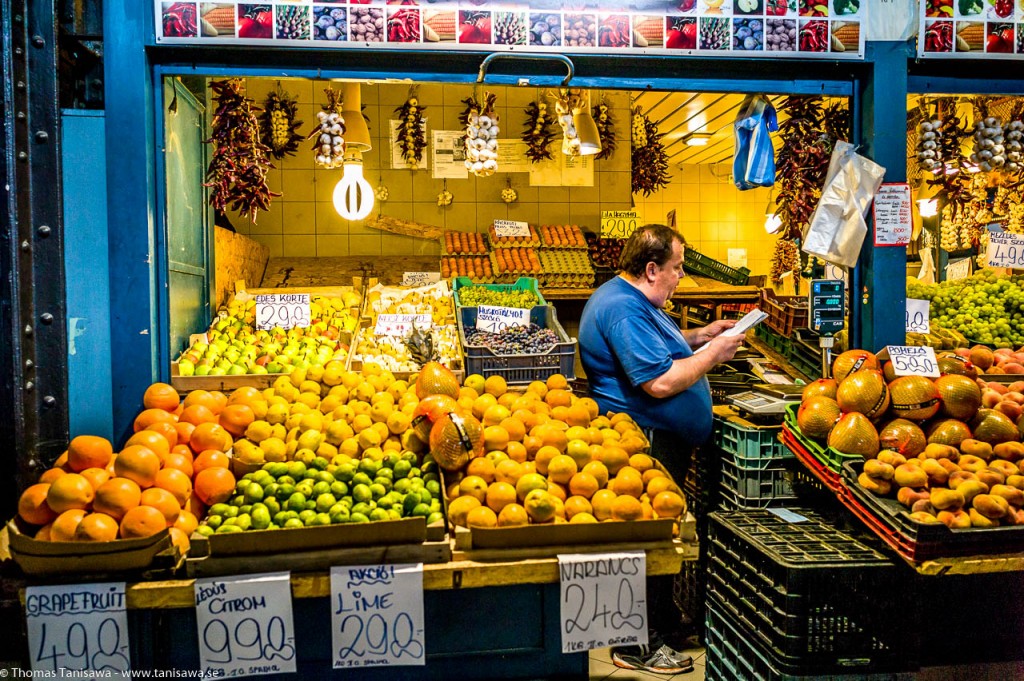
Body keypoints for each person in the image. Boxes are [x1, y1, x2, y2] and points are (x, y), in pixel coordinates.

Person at [578, 224, 745, 674]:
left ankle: (663, 623)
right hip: (645, 440)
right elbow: (659, 381)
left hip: (658, 439)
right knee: (651, 541)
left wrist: (702, 336)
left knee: (660, 537)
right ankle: (637, 644)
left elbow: (660, 349)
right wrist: (715, 354)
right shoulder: (623, 310)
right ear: (652, 269)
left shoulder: (632, 300)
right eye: (677, 268)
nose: (681, 277)